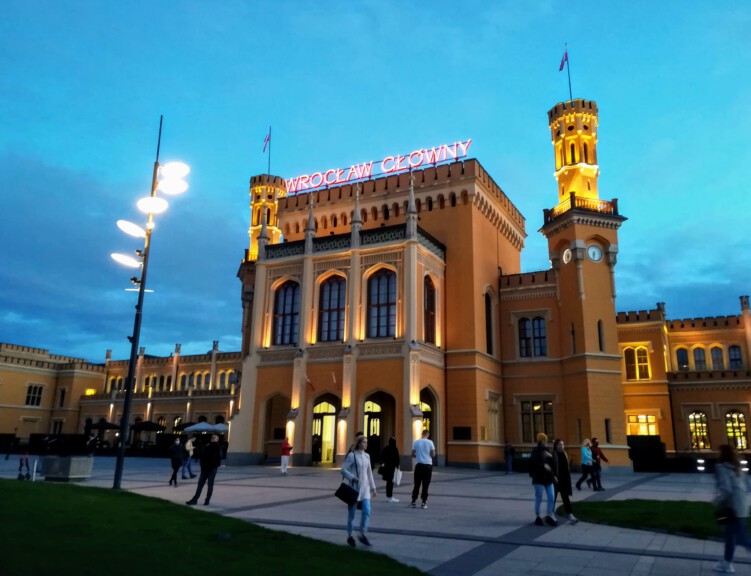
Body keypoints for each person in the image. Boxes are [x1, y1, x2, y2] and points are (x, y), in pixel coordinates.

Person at [713, 444, 751, 573]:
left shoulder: (721, 468)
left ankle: (727, 563)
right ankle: (726, 563)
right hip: (742, 506)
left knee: (741, 538)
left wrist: (717, 501)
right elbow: (749, 486)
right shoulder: (738, 467)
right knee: (730, 536)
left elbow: (726, 489)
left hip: (731, 507)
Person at [340, 435, 376, 547]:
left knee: (367, 510)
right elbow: (343, 470)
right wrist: (353, 478)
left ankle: (362, 534)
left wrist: (373, 487)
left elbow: (369, 472)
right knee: (352, 514)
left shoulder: (367, 456)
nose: (366, 444)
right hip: (354, 489)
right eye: (364, 442)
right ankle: (350, 536)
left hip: (365, 488)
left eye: (366, 442)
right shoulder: (352, 455)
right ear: (359, 443)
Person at [186, 434, 222, 506]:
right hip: (206, 469)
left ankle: (205, 500)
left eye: (215, 437)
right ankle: (197, 499)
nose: (213, 438)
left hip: (210, 469)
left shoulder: (216, 448)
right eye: (213, 437)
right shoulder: (208, 446)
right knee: (202, 484)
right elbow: (203, 456)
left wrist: (213, 466)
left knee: (208, 485)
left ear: (217, 440)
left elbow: (217, 459)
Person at [530, 432, 557, 526]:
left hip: (548, 478)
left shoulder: (548, 450)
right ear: (540, 441)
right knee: (539, 497)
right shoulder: (535, 451)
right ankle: (537, 516)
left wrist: (551, 456)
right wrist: (543, 465)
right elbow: (533, 463)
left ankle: (550, 514)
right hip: (539, 478)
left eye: (546, 440)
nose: (545, 442)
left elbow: (553, 463)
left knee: (551, 496)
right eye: (543, 440)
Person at [552, 439, 577, 524]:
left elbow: (566, 468)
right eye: (559, 444)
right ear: (556, 445)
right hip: (555, 480)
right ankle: (551, 515)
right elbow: (551, 467)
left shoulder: (564, 454)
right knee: (553, 498)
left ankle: (570, 514)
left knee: (565, 498)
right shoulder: (553, 454)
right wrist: (553, 476)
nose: (561, 446)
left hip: (563, 480)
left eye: (562, 444)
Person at [411, 429, 435, 509]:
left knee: (417, 484)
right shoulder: (430, 442)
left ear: (422, 434)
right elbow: (433, 454)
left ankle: (413, 501)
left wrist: (419, 456)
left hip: (419, 465)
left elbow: (413, 454)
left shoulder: (416, 442)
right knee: (425, 485)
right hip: (428, 465)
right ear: (427, 434)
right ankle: (424, 502)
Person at [380, 436, 400, 502]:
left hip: (387, 468)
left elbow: (382, 457)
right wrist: (397, 466)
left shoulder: (386, 448)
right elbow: (397, 459)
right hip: (391, 468)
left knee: (389, 482)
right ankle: (389, 496)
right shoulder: (394, 449)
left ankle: (389, 496)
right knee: (390, 482)